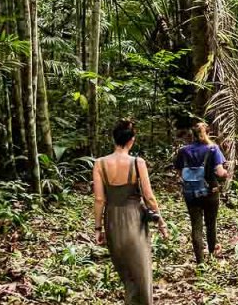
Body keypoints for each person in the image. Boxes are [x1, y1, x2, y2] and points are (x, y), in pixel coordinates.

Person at [93, 119, 169, 305]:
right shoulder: (137, 163)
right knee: (142, 275)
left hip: (112, 222)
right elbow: (148, 196)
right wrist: (161, 221)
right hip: (134, 219)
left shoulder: (100, 164)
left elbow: (99, 199)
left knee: (127, 277)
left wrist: (98, 228)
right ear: (131, 140)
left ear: (114, 139)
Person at [173, 122, 229, 265]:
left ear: (191, 134)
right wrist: (226, 174)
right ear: (208, 133)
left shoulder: (183, 151)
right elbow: (219, 171)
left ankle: (200, 262)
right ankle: (211, 253)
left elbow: (179, 172)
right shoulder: (213, 148)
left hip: (190, 193)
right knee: (211, 223)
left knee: (196, 226)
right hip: (211, 192)